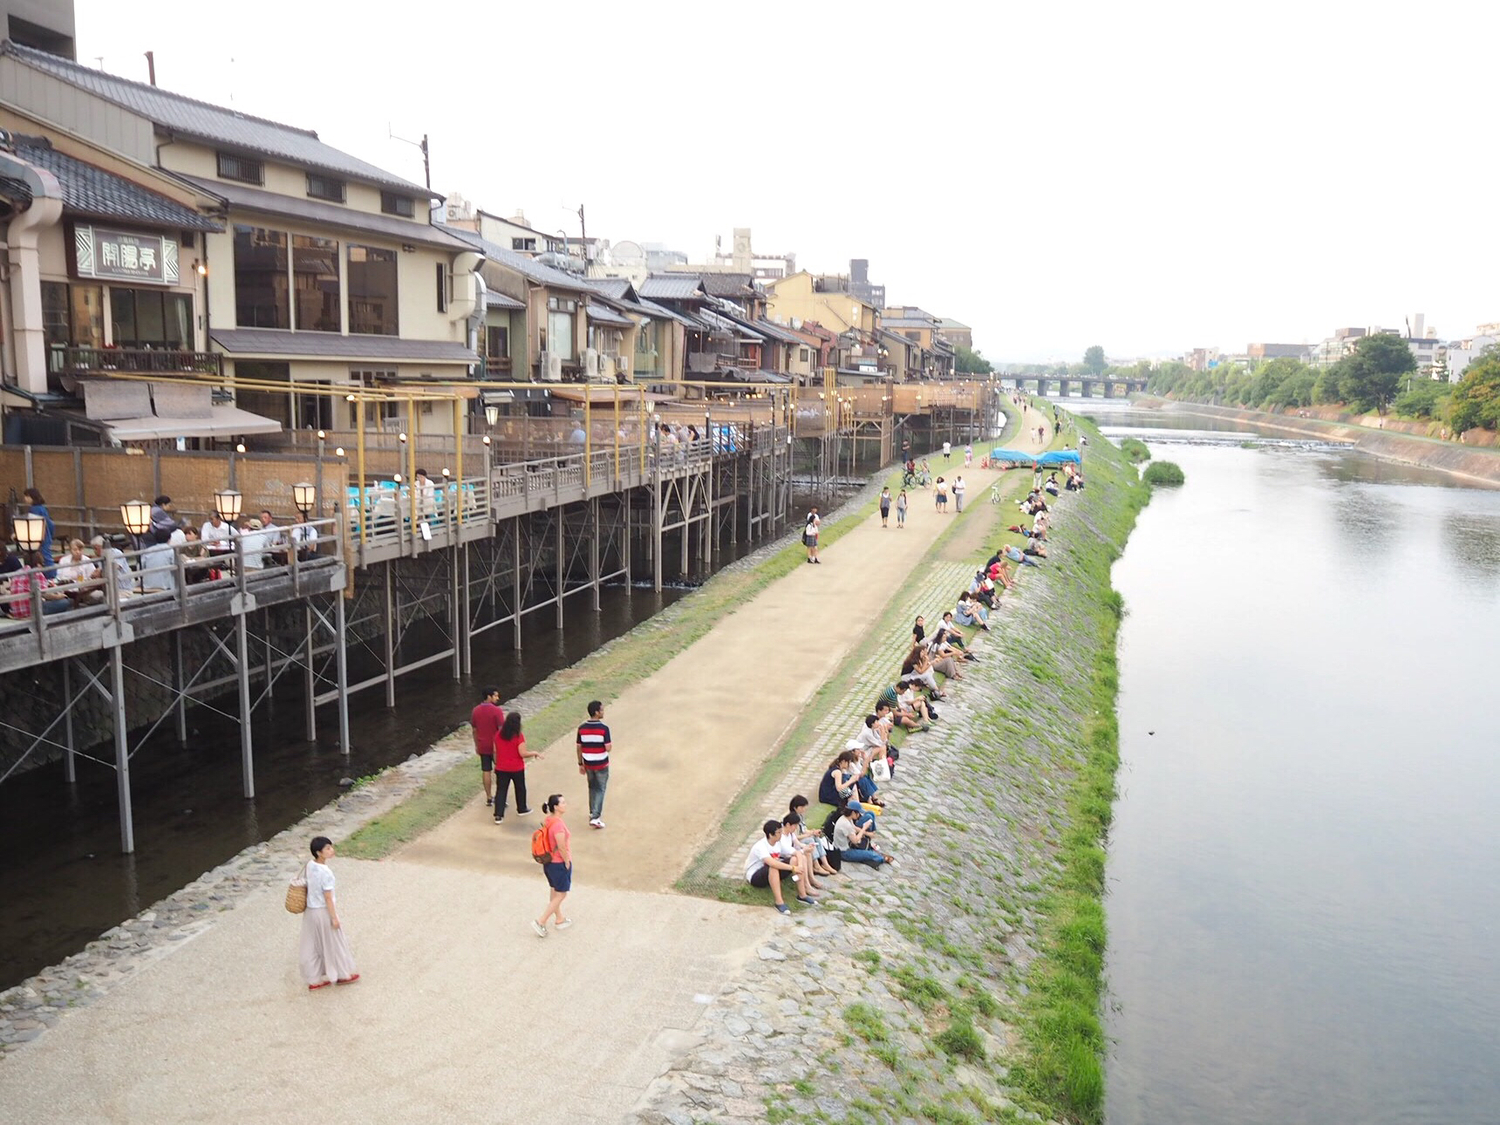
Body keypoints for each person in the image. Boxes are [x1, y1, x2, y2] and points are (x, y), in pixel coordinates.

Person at [300, 836, 359, 989]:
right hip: (322, 911)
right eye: (327, 848)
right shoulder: (326, 872)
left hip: (310, 911)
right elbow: (328, 898)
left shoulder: (310, 865)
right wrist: (334, 918)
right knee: (334, 943)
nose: (332, 850)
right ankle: (341, 974)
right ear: (319, 852)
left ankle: (314, 979)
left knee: (313, 945)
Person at [532, 794, 573, 936]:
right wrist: (567, 861)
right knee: (561, 894)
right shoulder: (558, 825)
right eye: (562, 802)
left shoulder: (548, 820)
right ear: (556, 807)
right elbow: (561, 846)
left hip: (549, 863)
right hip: (558, 863)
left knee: (554, 890)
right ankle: (541, 921)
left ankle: (559, 919)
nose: (565, 804)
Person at [745, 820, 804, 913]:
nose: (781, 834)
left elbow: (797, 852)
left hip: (772, 873)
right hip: (756, 875)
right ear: (771, 835)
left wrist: (799, 867)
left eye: (781, 831)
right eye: (779, 832)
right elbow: (771, 863)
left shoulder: (779, 842)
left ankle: (802, 895)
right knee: (773, 866)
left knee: (795, 859)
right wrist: (793, 868)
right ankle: (779, 902)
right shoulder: (760, 846)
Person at [493, 709, 539, 823]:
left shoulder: (498, 734)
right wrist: (534, 753)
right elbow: (522, 753)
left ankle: (498, 815)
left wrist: (497, 762)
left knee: (501, 790)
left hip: (501, 767)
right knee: (520, 788)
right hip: (516, 768)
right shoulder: (519, 736)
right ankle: (522, 808)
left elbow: (495, 751)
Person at [576, 700, 611, 829]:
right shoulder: (604, 729)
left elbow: (579, 747)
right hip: (601, 763)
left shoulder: (582, 728)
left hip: (588, 763)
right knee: (601, 789)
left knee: (592, 787)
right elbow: (608, 748)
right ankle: (596, 816)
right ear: (596, 712)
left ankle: (592, 812)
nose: (603, 712)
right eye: (601, 710)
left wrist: (580, 763)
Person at [471, 688, 505, 808]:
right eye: (496, 696)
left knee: (486, 771)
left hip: (482, 745)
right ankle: (500, 797)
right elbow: (501, 730)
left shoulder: (475, 710)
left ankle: (489, 797)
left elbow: (474, 730)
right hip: (496, 746)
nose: (497, 698)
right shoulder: (497, 711)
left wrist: (476, 745)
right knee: (500, 772)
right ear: (489, 696)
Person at [21, 488, 55, 570]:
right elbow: (50, 524)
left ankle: (48, 575)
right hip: (46, 536)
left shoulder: (34, 509)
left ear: (31, 497)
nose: (25, 499)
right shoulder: (42, 508)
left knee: (42, 558)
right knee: (47, 557)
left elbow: (33, 525)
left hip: (39, 538)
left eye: (26, 496)